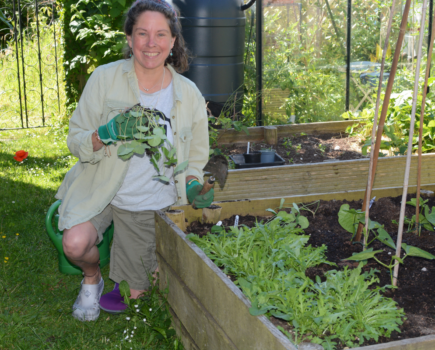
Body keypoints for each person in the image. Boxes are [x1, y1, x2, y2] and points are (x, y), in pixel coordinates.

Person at [55, 0, 213, 321]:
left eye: (160, 35)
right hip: (100, 186)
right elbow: (76, 138)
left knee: (137, 294)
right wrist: (105, 132)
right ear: (129, 38)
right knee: (74, 243)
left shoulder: (190, 94)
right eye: (142, 33)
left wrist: (195, 185)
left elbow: (194, 158)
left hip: (148, 201)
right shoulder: (104, 78)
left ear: (172, 41)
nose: (151, 43)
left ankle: (145, 269)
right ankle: (92, 278)